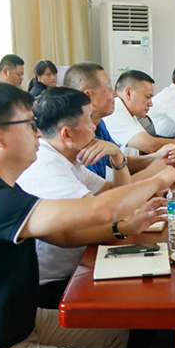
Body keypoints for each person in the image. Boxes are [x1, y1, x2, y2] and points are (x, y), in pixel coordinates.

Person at [0, 81, 175, 348]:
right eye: (29, 125)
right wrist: (159, 177)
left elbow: (60, 234)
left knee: (112, 331)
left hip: (20, 323)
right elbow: (99, 209)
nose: (38, 133)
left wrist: (120, 227)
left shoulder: (7, 187)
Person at [17, 87, 163, 309]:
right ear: (67, 133)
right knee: (149, 298)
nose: (95, 127)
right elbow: (105, 214)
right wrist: (157, 179)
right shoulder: (48, 167)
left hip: (84, 262)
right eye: (88, 122)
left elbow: (114, 192)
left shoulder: (66, 157)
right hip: (57, 284)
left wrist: (117, 157)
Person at [64, 62, 175, 179]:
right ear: (89, 96)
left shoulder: (99, 124)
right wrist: (154, 174)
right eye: (108, 88)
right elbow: (107, 191)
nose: (114, 94)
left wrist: (156, 157)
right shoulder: (74, 141)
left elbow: (120, 162)